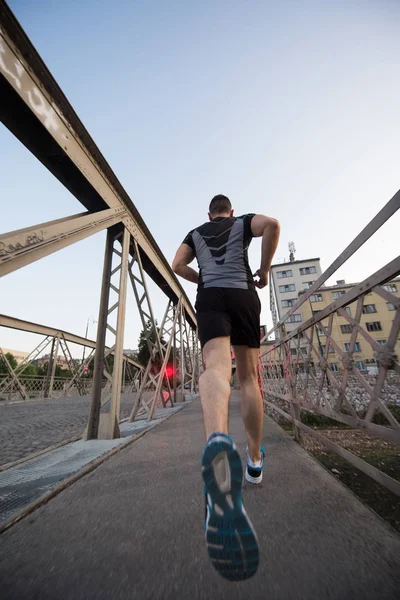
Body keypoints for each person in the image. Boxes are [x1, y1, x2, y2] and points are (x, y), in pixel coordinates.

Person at [172, 194, 280, 581]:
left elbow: (176, 264)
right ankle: (253, 462)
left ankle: (217, 441)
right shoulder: (243, 222)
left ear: (209, 214)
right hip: (243, 293)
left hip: (211, 297)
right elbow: (273, 226)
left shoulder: (196, 232)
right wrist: (264, 271)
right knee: (249, 378)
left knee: (216, 366)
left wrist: (202, 278)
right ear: (231, 212)